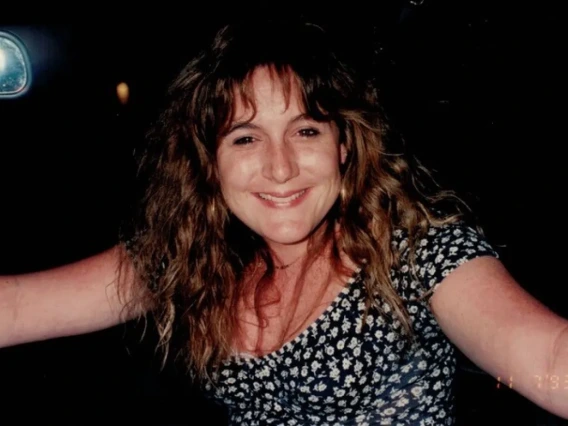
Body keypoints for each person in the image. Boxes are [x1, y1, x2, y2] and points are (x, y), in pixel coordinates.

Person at [1, 18, 567, 425]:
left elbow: (548, 359)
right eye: (245, 137)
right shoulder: (195, 259)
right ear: (210, 162)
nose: (280, 167)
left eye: (306, 130)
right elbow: (18, 306)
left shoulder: (416, 252)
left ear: (344, 145)